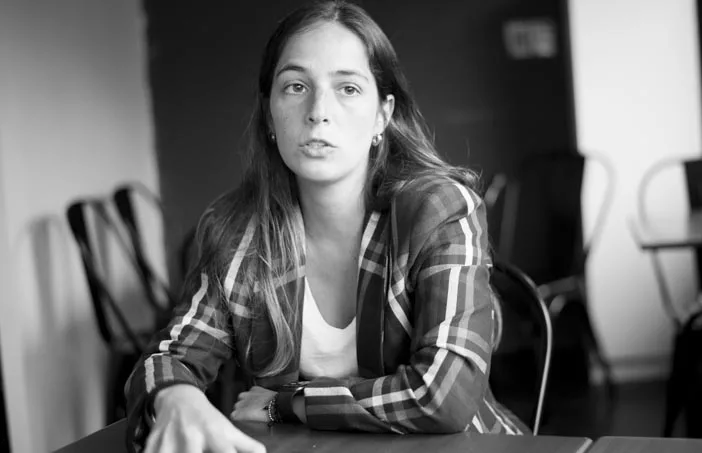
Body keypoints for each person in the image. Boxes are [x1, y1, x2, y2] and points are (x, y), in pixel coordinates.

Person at [124, 1, 529, 451]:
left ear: (383, 114)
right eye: (296, 86)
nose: (318, 110)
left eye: (348, 88)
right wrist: (175, 397)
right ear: (270, 113)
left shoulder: (439, 210)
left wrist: (287, 403)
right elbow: (170, 356)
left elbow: (444, 397)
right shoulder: (237, 231)